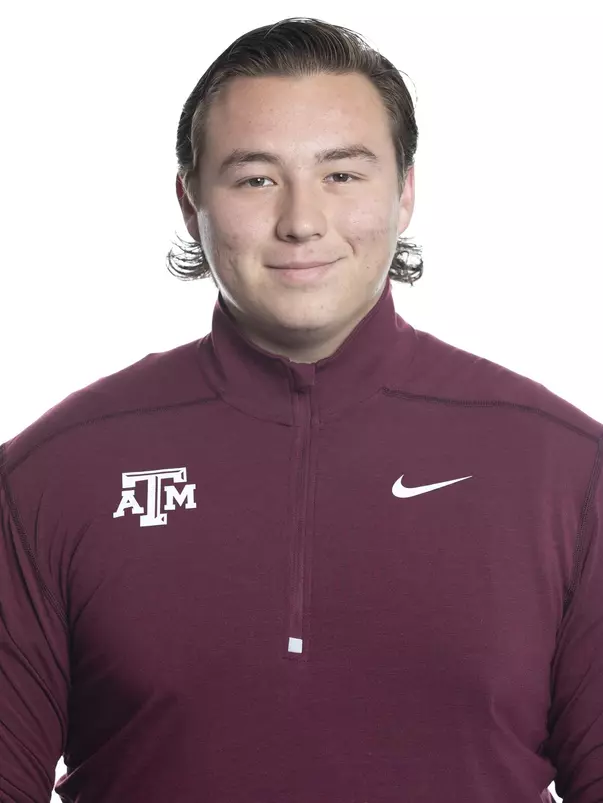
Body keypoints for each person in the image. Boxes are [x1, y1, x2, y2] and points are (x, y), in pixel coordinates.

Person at [0, 16, 600, 803]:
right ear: (190, 202)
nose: (301, 220)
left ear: (405, 190)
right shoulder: (53, 473)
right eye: (254, 178)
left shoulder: (564, 467)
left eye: (342, 175)